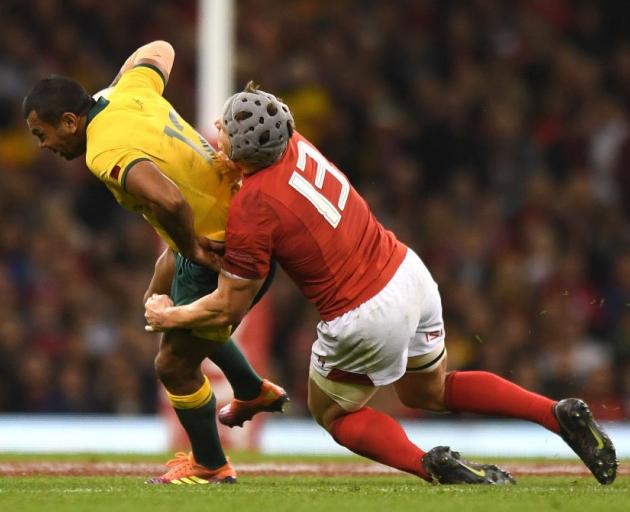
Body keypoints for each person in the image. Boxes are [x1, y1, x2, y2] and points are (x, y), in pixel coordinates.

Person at [145, 81, 619, 485]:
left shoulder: (253, 206)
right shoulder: (297, 144)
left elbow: (227, 308)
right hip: (407, 273)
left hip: (362, 312)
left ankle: (426, 464)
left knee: (334, 414)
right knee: (426, 392)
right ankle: (554, 413)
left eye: (225, 127)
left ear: (243, 150)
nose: (218, 131)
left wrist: (171, 315)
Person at [23, 42, 288, 485]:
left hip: (224, 244)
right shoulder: (127, 91)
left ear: (70, 121)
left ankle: (210, 463)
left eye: (42, 133)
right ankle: (250, 389)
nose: (44, 144)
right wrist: (120, 82)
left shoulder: (102, 152)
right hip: (236, 217)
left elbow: (168, 199)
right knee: (161, 309)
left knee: (173, 366)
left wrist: (192, 249)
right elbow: (160, 49)